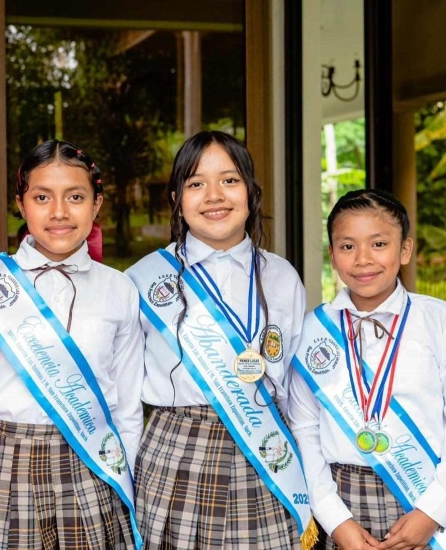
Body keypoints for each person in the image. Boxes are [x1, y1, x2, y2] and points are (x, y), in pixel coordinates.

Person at [126, 130, 317, 550]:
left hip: (268, 449)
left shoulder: (281, 276)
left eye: (229, 180)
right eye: (196, 184)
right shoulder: (142, 279)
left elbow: (297, 389)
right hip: (176, 449)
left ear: (250, 191)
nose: (214, 195)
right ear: (176, 197)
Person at [0, 140, 144, 549]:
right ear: (20, 205)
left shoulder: (119, 289)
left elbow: (127, 406)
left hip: (91, 461)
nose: (59, 212)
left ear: (96, 205)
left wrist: (122, 477)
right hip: (3, 461)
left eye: (75, 197)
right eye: (42, 197)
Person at [287, 189, 446, 550]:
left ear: (405, 249)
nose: (363, 259)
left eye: (379, 244)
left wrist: (432, 512)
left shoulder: (438, 321)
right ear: (332, 255)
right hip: (340, 500)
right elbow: (305, 430)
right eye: (347, 247)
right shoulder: (313, 332)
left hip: (423, 501)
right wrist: (336, 520)